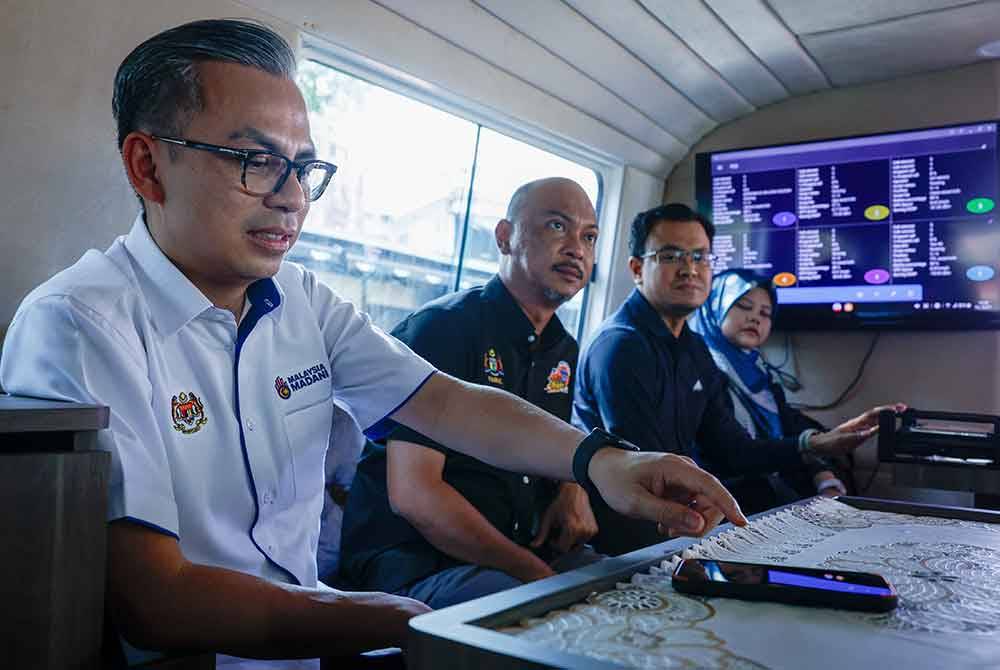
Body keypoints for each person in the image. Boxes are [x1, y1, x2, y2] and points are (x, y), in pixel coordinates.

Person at [0, 20, 745, 663]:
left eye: (303, 166)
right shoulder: (80, 324)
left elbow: (447, 404)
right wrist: (404, 621)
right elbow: (156, 600)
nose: (291, 196)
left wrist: (603, 461)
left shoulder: (303, 302)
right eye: (256, 161)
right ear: (147, 164)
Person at [573, 203, 901, 556]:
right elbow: (643, 470)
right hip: (631, 537)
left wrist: (820, 444)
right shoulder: (621, 346)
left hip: (678, 524)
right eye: (671, 256)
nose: (689, 269)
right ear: (638, 268)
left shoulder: (692, 348)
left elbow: (731, 450)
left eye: (700, 257)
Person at [340, 178, 601, 608]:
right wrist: (534, 575)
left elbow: (541, 436)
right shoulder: (444, 329)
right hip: (418, 561)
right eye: (558, 227)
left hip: (514, 551)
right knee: (547, 620)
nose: (577, 248)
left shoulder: (563, 348)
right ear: (504, 237)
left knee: (633, 592)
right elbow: (415, 497)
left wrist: (571, 485)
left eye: (589, 236)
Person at [688, 269, 849, 513]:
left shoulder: (761, 375)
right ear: (714, 306)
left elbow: (790, 430)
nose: (756, 318)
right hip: (724, 502)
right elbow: (731, 454)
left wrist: (825, 478)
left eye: (765, 313)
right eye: (743, 306)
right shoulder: (699, 372)